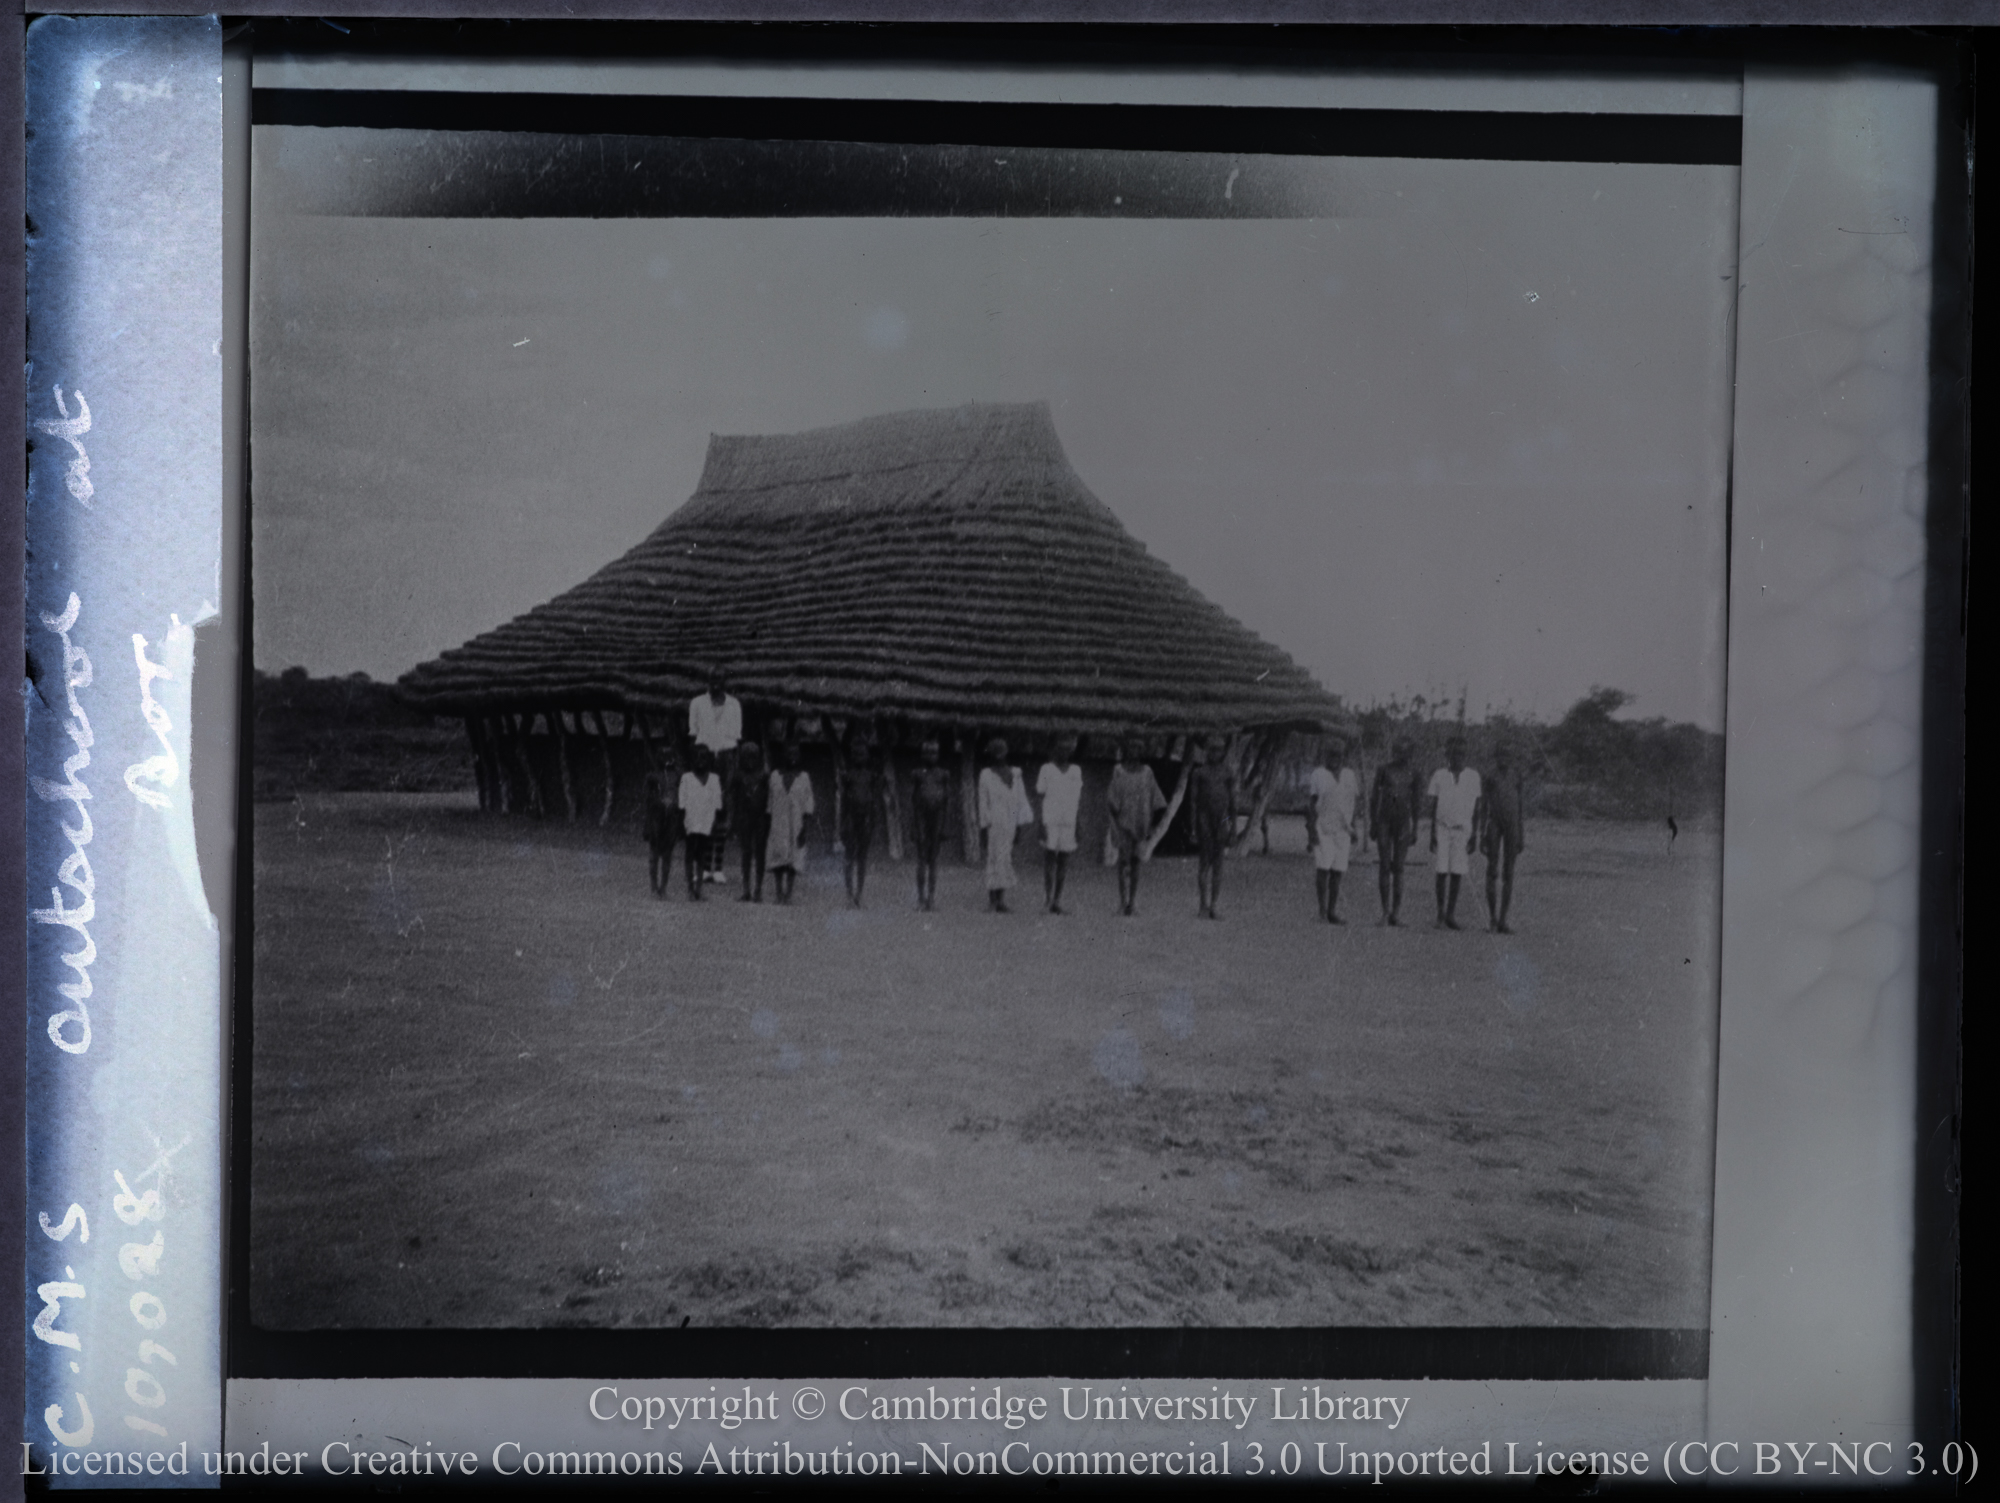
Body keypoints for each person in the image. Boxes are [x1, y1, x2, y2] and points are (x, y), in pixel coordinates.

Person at [688, 669, 742, 881]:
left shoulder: (734, 705)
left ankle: (717, 868)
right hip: (704, 760)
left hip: (726, 761)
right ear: (707, 682)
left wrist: (731, 770)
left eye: (720, 679)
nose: (716, 684)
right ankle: (701, 868)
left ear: (725, 681)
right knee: (702, 814)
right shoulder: (697, 703)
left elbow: (735, 740)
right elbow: (693, 736)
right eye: (712, 680)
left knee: (721, 814)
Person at [1425, 735, 1482, 930]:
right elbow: (1433, 806)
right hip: (1442, 828)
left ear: (1465, 755)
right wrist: (1432, 832)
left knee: (1457, 871)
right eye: (1452, 754)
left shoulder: (1473, 776)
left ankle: (1451, 914)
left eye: (1460, 754)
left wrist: (1474, 834)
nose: (1456, 758)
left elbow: (1477, 808)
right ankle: (1440, 913)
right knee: (1441, 870)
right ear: (1447, 755)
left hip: (1462, 830)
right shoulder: (1439, 775)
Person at [1106, 740, 1167, 917]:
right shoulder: (1118, 771)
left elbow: (1154, 799)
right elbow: (1112, 801)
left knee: (1136, 863)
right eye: (1131, 747)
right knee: (1122, 863)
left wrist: (1150, 825)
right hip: (1123, 825)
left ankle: (1132, 903)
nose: (1134, 751)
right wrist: (1115, 825)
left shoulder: (1147, 772)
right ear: (1125, 749)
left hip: (1141, 825)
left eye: (1138, 748)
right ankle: (1122, 902)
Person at [1307, 735, 1363, 924]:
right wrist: (1312, 833)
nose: (1335, 759)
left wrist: (1354, 828)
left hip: (1343, 831)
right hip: (1323, 828)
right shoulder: (1318, 775)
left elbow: (1352, 803)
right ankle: (1322, 911)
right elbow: (1312, 805)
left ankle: (1332, 910)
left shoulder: (1349, 775)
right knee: (1323, 869)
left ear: (1343, 756)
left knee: (1338, 871)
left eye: (1338, 755)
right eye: (1331, 755)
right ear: (1325, 756)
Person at [1368, 737, 1421, 926]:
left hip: (1403, 823)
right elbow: (1374, 797)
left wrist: (1415, 828)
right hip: (1384, 820)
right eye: (1399, 751)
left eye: (1406, 752)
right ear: (1394, 752)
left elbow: (1416, 803)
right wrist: (1373, 823)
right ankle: (1384, 911)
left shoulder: (1414, 772)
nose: (1402, 755)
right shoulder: (1384, 770)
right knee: (1384, 865)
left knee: (1398, 867)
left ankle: (1396, 914)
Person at [977, 737, 1032, 913]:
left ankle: (1001, 900)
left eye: (1001, 752)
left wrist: (1019, 827)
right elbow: (983, 803)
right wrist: (984, 828)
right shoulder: (986, 775)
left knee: (1005, 859)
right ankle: (992, 900)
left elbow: (1019, 802)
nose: (998, 756)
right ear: (991, 755)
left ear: (1006, 752)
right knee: (993, 859)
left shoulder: (1016, 774)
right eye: (995, 753)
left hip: (1010, 823)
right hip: (994, 824)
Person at [1188, 737, 1237, 919]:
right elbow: (1193, 802)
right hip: (1204, 818)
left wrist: (1233, 829)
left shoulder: (1228, 773)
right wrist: (1193, 828)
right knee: (1204, 862)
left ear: (1224, 752)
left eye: (1219, 750)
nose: (1215, 753)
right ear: (1206, 750)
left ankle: (1214, 905)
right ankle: (1203, 905)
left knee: (1218, 864)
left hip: (1222, 818)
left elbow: (1233, 803)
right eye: (1212, 749)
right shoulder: (1199, 773)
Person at [1481, 743, 1527, 933]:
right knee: (1492, 870)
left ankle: (1503, 920)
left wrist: (1521, 833)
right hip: (1494, 824)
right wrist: (1482, 833)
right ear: (1496, 757)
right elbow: (1484, 805)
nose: (1503, 760)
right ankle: (1492, 919)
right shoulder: (1490, 776)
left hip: (1512, 826)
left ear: (1511, 758)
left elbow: (1520, 805)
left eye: (1507, 756)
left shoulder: (1516, 776)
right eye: (1500, 756)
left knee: (1509, 872)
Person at [1036, 733, 1084, 914]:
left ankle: (1057, 900)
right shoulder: (1046, 769)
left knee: (1064, 860)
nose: (1064, 752)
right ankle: (1048, 898)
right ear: (1054, 750)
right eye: (1060, 749)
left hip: (1069, 821)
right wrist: (1041, 823)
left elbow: (1077, 799)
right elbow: (1040, 796)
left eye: (1068, 749)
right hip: (1050, 820)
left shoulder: (1076, 771)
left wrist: (1078, 823)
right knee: (1049, 859)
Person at [766, 741, 815, 905]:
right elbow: (770, 803)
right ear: (783, 755)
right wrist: (768, 826)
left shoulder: (804, 777)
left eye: (795, 754)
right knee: (778, 857)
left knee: (793, 859)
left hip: (796, 823)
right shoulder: (774, 776)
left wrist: (805, 829)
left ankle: (789, 894)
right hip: (778, 822)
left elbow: (808, 805)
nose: (792, 757)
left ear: (799, 756)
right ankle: (778, 892)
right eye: (789, 753)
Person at [837, 732, 881, 908]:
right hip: (850, 820)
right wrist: (842, 823)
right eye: (855, 754)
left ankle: (859, 894)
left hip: (866, 820)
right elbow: (844, 802)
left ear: (867, 755)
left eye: (862, 754)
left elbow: (874, 801)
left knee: (862, 858)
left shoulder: (871, 777)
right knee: (849, 856)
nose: (859, 757)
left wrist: (873, 822)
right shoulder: (847, 776)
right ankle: (848, 894)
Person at [909, 737, 953, 911]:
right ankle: (920, 899)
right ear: (921, 754)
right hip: (921, 819)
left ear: (939, 754)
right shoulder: (917, 774)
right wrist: (913, 825)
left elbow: (947, 800)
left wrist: (945, 826)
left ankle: (932, 898)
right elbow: (912, 800)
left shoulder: (943, 774)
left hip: (937, 819)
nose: (930, 755)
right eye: (927, 752)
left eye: (934, 752)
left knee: (933, 860)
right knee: (921, 859)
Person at [677, 744, 724, 901]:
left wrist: (715, 823)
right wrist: (682, 824)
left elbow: (717, 804)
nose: (700, 761)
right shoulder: (687, 778)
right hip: (690, 821)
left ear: (709, 759)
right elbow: (682, 803)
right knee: (690, 853)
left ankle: (699, 889)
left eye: (704, 757)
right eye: (697, 757)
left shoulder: (714, 779)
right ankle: (690, 888)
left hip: (706, 821)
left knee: (702, 854)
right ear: (692, 759)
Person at [729, 741, 772, 902]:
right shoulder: (738, 775)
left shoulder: (763, 775)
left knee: (760, 854)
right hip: (743, 818)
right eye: (747, 757)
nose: (750, 760)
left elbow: (769, 798)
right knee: (746, 853)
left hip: (760, 819)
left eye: (754, 757)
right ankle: (746, 890)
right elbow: (732, 797)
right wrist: (732, 820)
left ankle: (758, 890)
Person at [641, 773, 679, 899]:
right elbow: (646, 797)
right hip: (656, 822)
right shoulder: (652, 775)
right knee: (654, 857)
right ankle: (653, 888)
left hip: (670, 823)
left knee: (667, 857)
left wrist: (673, 803)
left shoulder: (677, 775)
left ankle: (663, 888)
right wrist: (660, 802)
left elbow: (682, 796)